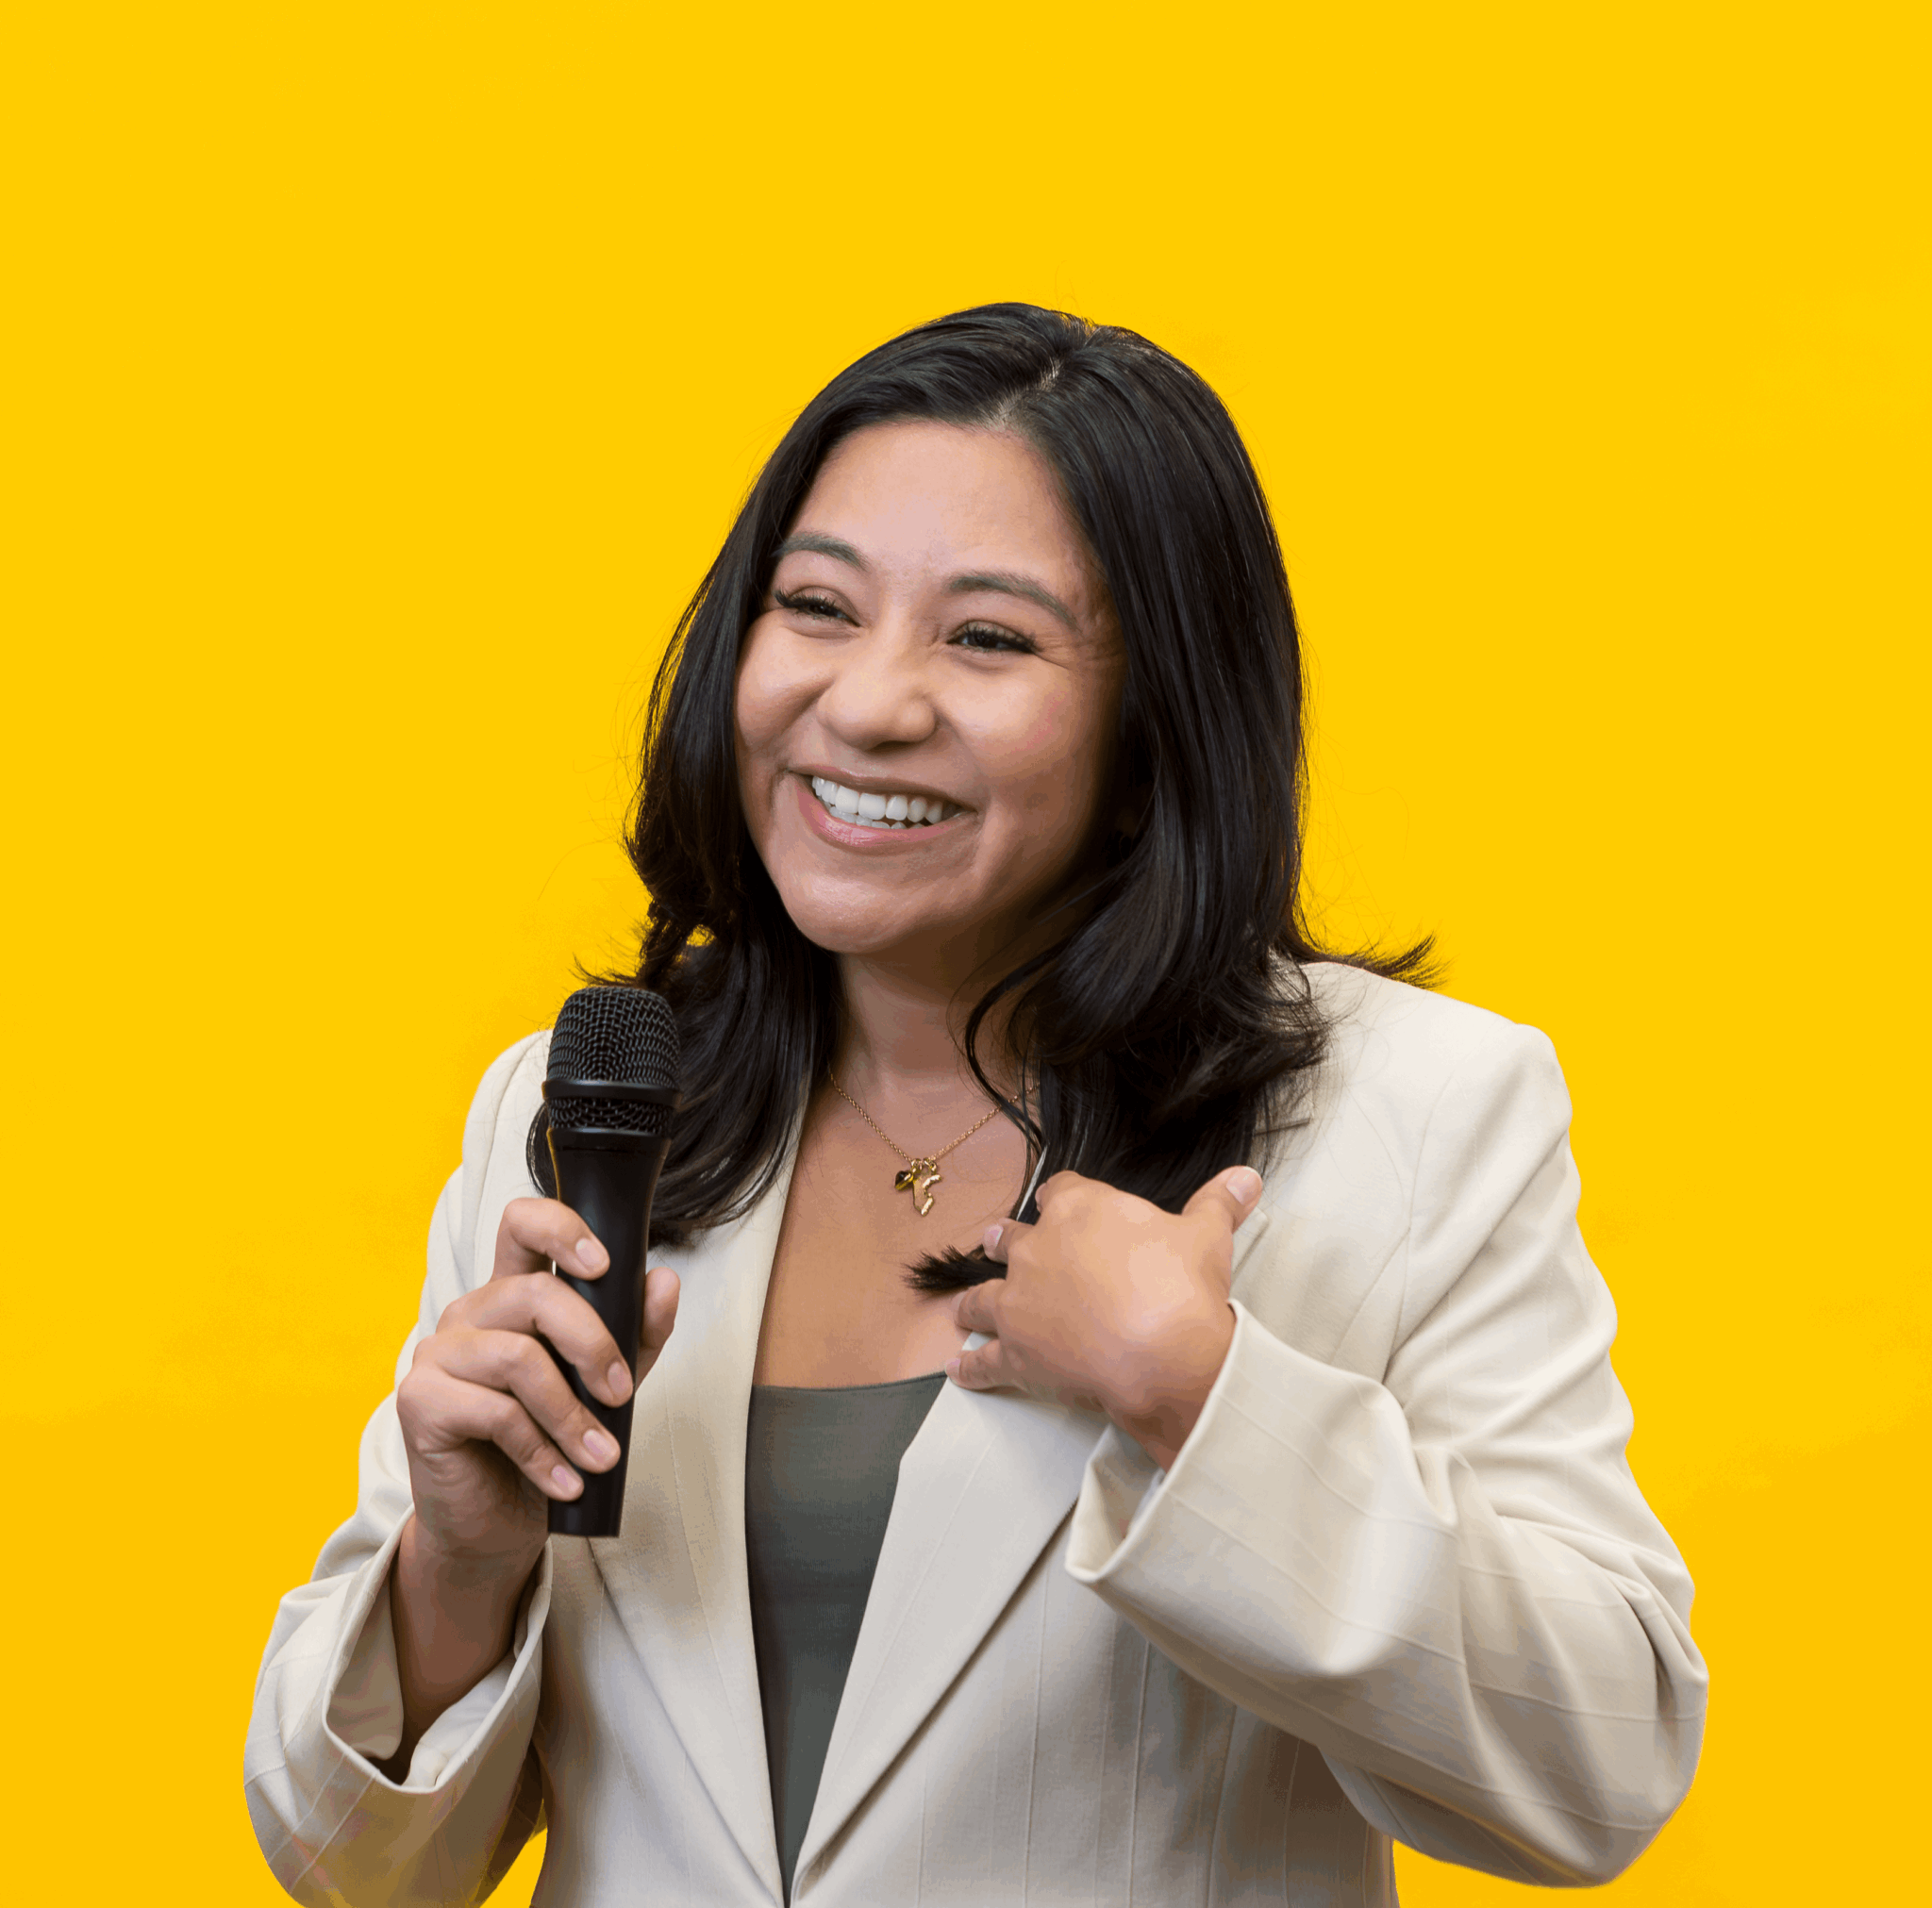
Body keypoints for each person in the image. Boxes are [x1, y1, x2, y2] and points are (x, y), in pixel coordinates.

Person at [246, 304, 1706, 1906]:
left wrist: (1203, 1398)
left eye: (989, 639)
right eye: (817, 606)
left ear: (1154, 725)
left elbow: (1603, 1766)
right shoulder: (581, 1106)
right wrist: (458, 1567)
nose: (870, 703)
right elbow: (351, 1868)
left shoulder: (1412, 1111)